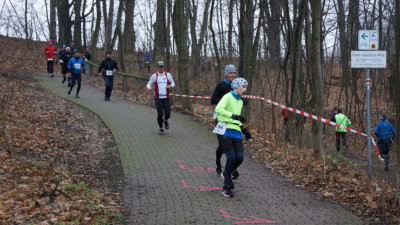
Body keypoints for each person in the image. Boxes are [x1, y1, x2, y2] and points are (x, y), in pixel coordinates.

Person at [214, 77, 251, 197]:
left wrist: (244, 128)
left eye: (246, 87)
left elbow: (237, 118)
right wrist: (233, 116)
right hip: (224, 129)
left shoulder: (240, 101)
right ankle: (226, 187)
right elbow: (218, 109)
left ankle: (226, 172)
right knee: (231, 157)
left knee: (239, 158)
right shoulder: (227, 96)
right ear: (236, 87)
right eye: (243, 87)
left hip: (236, 131)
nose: (245, 89)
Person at [211, 64, 247, 176]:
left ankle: (231, 167)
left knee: (230, 146)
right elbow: (213, 100)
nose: (232, 75)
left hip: (233, 120)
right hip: (221, 118)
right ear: (226, 74)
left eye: (234, 73)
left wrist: (242, 100)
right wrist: (224, 102)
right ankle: (218, 163)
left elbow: (242, 99)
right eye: (230, 73)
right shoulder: (221, 85)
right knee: (222, 145)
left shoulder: (238, 86)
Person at [146, 61, 175, 135]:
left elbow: (173, 83)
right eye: (159, 67)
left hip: (166, 97)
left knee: (168, 113)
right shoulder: (154, 76)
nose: (161, 68)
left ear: (164, 67)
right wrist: (149, 88)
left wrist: (170, 86)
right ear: (157, 68)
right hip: (158, 98)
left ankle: (165, 120)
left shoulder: (168, 75)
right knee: (160, 114)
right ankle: (161, 128)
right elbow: (148, 84)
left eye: (162, 67)